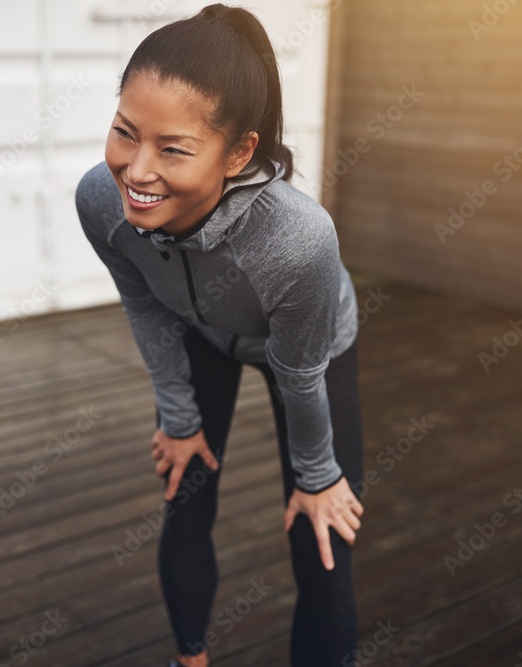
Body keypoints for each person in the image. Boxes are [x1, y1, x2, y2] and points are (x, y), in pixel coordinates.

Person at [73, 4, 366, 666]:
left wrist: (317, 475)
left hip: (309, 354)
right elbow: (145, 303)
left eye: (173, 148)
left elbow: (299, 373)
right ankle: (191, 659)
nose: (137, 171)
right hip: (201, 330)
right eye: (125, 132)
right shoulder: (99, 199)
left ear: (239, 153)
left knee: (320, 541)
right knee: (186, 495)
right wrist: (179, 418)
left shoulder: (298, 239)